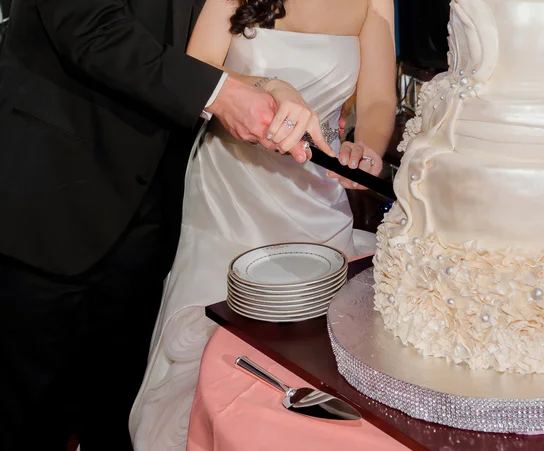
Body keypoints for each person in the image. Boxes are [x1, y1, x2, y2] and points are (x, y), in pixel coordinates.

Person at [0, 1, 334, 450]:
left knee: (120, 410)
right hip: (55, 191)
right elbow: (89, 27)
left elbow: (201, 48)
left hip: (154, 209)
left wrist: (268, 86)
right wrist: (222, 96)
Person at [129, 0, 397, 449]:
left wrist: (365, 148)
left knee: (312, 356)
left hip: (316, 196)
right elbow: (196, 68)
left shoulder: (376, 2)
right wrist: (269, 87)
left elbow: (377, 98)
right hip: (229, 191)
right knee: (215, 346)